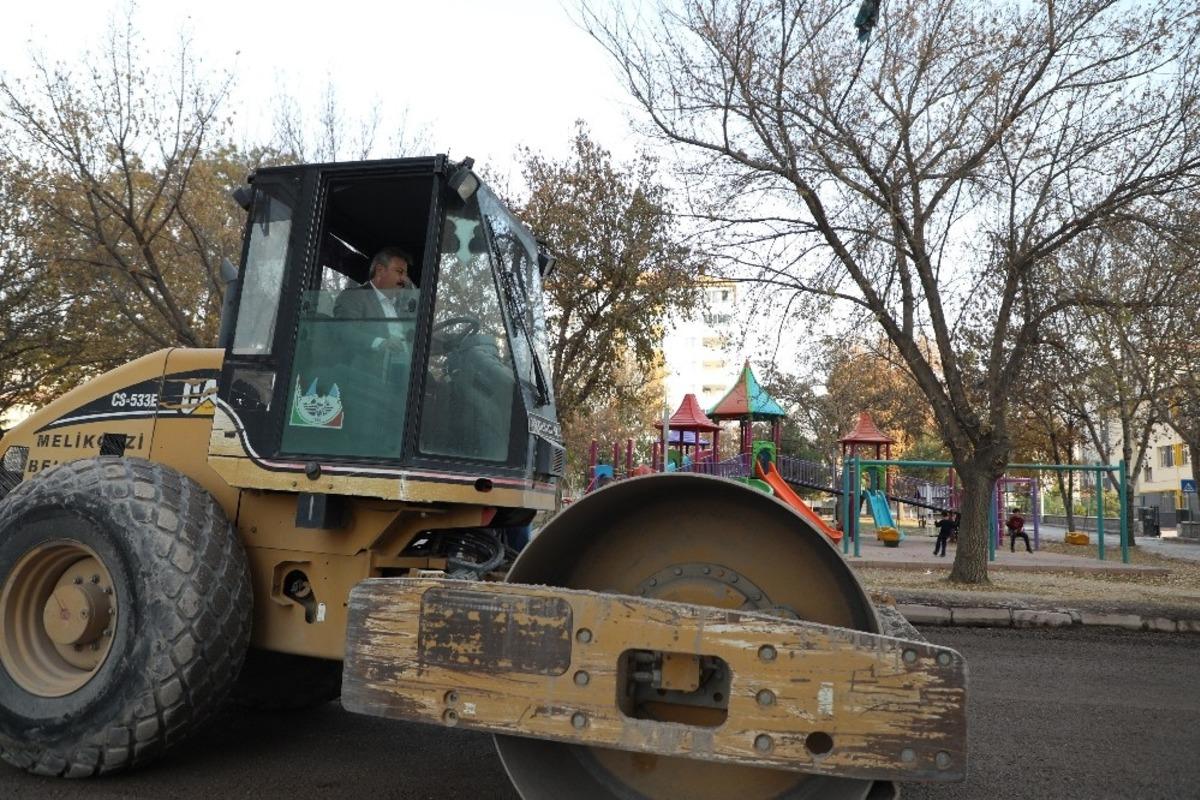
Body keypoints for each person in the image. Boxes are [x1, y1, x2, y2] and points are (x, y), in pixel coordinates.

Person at [333, 247, 418, 372]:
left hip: (405, 375)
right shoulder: (354, 297)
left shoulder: (401, 307)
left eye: (406, 274)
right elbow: (344, 332)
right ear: (380, 271)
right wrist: (381, 343)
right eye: (399, 272)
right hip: (366, 375)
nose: (404, 279)